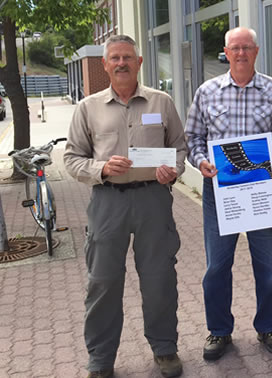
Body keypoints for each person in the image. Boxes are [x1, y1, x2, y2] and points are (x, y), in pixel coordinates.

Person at [64, 35, 187, 378]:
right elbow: (72, 158)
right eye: (114, 58)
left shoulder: (161, 102)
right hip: (107, 202)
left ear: (139, 62)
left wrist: (173, 170)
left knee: (159, 278)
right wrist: (100, 169)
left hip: (153, 200)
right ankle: (101, 359)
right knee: (102, 281)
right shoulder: (88, 107)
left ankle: (164, 349)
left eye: (127, 57)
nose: (121, 63)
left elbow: (179, 147)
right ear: (105, 64)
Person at [185, 27, 272, 361]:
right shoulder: (207, 92)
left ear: (256, 51)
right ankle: (219, 331)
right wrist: (202, 161)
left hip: (261, 189)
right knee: (217, 265)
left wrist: (261, 167)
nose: (242, 53)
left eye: (247, 47)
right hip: (219, 192)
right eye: (236, 48)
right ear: (226, 52)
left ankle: (268, 326)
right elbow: (193, 138)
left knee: (268, 265)